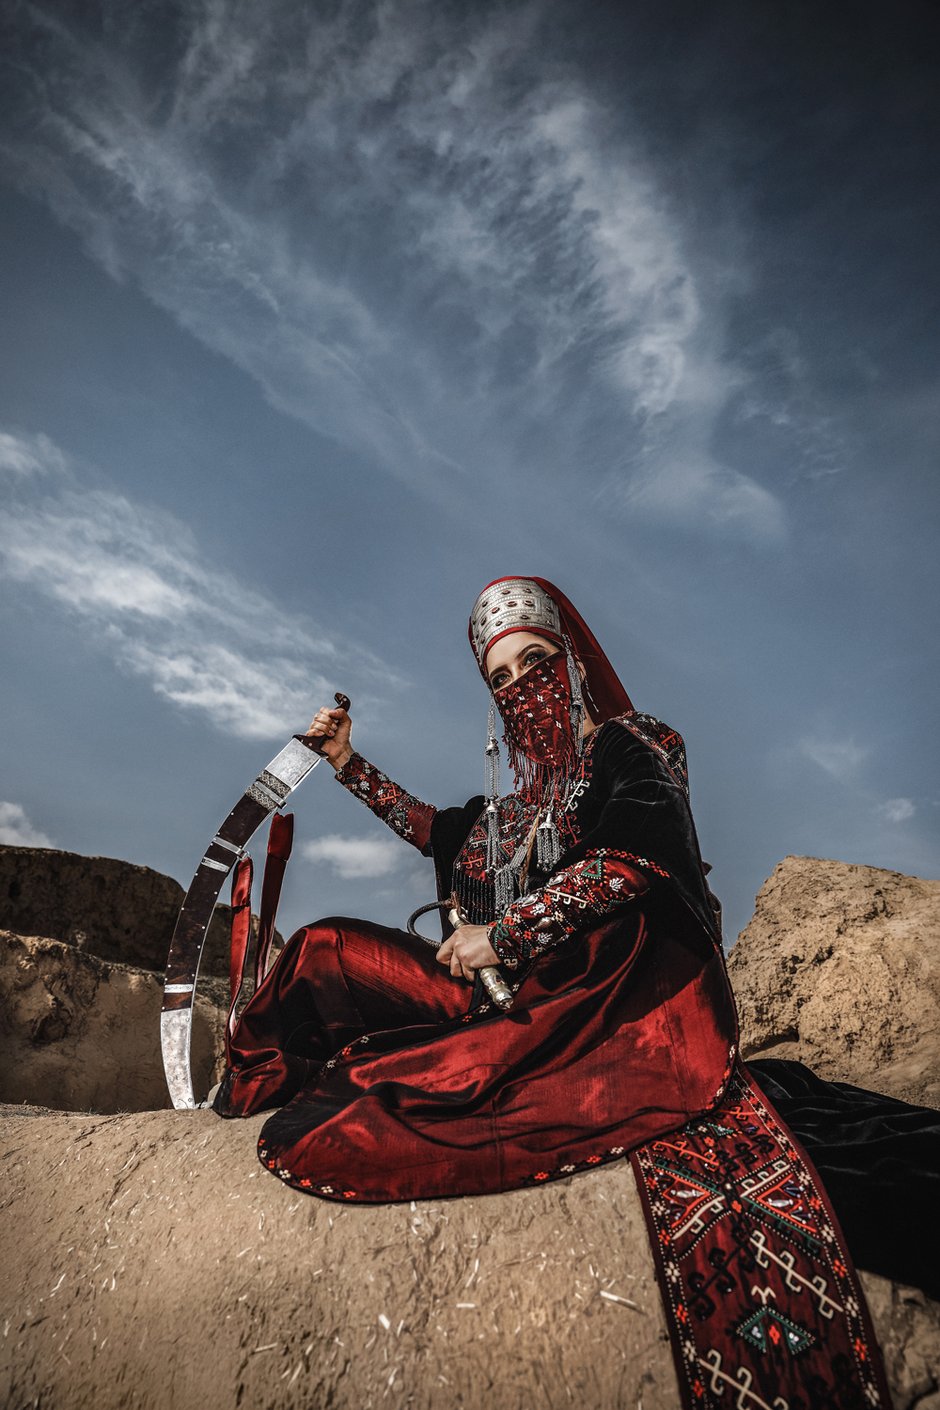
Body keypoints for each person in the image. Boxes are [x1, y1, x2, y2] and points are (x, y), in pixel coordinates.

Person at [212, 576, 936, 1302]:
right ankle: (249, 1093)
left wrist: (505, 933)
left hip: (587, 1015)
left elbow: (638, 857)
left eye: (534, 662)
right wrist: (346, 762)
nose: (520, 688)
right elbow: (434, 830)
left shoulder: (634, 746)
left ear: (575, 662)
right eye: (501, 679)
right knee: (323, 948)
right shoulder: (515, 810)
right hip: (491, 1002)